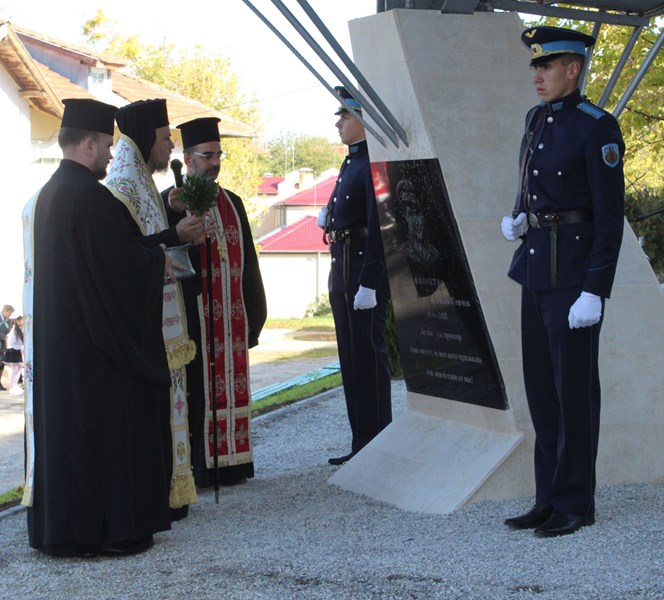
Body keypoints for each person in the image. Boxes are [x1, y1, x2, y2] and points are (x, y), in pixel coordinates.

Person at [23, 98, 175, 557]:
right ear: (88, 145)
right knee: (103, 438)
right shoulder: (89, 198)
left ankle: (66, 532)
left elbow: (108, 257)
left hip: (64, 348)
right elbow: (118, 270)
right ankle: (107, 531)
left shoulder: (52, 194)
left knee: (69, 441)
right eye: (107, 147)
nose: (110, 156)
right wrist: (159, 262)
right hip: (94, 353)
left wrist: (154, 249)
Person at [501, 26, 625, 537]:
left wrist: (595, 289)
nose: (537, 75)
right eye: (535, 66)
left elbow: (609, 218)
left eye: (546, 66)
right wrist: (518, 215)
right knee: (541, 390)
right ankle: (548, 497)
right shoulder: (537, 119)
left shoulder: (597, 127)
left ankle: (576, 501)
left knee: (573, 392)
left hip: (574, 278)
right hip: (536, 266)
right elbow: (530, 177)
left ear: (573, 69)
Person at [106, 99, 201, 519]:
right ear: (147, 138)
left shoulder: (143, 181)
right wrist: (175, 233)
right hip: (145, 324)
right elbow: (127, 254)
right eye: (165, 139)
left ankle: (172, 493)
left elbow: (150, 236)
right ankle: (160, 495)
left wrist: (173, 216)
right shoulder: (123, 187)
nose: (170, 147)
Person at [162, 117, 267, 487]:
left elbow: (248, 263)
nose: (215, 163)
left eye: (219, 155)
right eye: (208, 156)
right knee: (197, 394)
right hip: (195, 321)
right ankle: (201, 468)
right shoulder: (171, 201)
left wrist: (255, 314)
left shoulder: (232, 203)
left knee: (233, 386)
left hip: (231, 322)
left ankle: (234, 462)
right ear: (188, 158)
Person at [317, 87, 392, 465]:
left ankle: (377, 438)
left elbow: (380, 226)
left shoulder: (372, 162)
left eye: (345, 116)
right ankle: (361, 439)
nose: (339, 124)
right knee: (350, 357)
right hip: (342, 264)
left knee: (367, 357)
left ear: (363, 120)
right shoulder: (352, 163)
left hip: (361, 269)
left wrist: (370, 281)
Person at [3, 315, 23, 394]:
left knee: (19, 368)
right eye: (21, 320)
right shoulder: (14, 330)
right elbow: (11, 341)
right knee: (15, 370)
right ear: (17, 321)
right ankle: (12, 387)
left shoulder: (20, 329)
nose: (23, 322)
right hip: (13, 350)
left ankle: (15, 386)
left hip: (17, 350)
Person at [0, 304, 14, 391]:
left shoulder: (9, 321)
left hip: (3, 344)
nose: (10, 315)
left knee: (2, 363)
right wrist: (4, 336)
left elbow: (9, 330)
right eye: (9, 313)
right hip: (2, 340)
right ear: (5, 311)